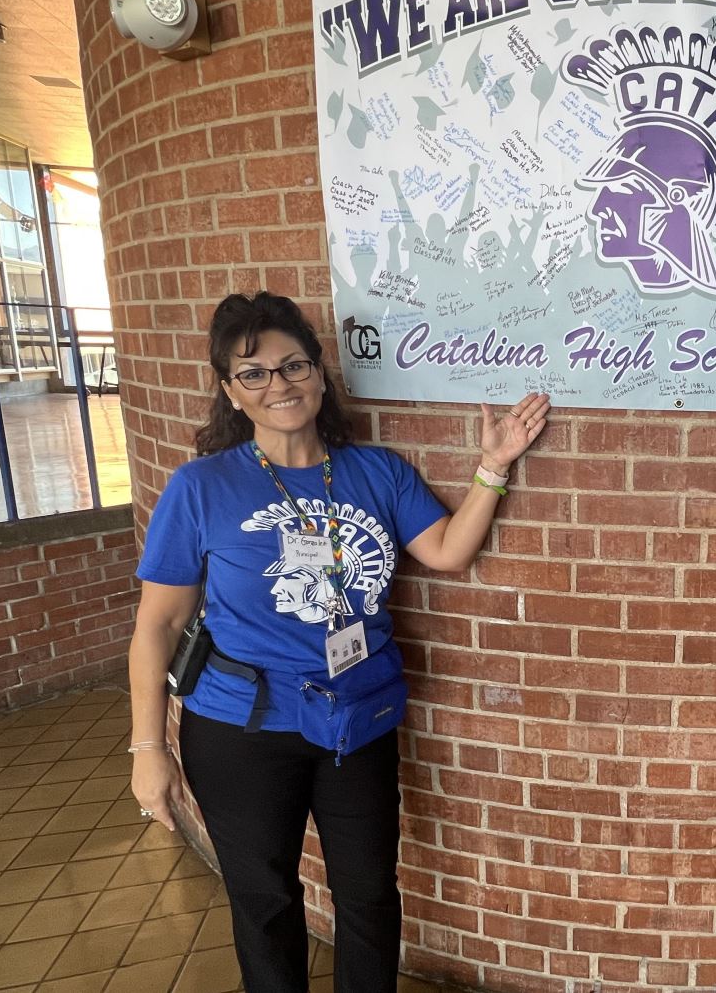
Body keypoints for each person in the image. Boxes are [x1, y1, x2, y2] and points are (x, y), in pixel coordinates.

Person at [127, 291, 550, 993]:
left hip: (356, 717)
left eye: (292, 365)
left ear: (321, 374)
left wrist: (494, 465)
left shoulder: (375, 471)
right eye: (253, 372)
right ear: (231, 392)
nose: (279, 384)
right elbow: (159, 625)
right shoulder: (201, 487)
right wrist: (149, 749)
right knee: (265, 903)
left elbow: (446, 550)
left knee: (369, 896)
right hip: (241, 726)